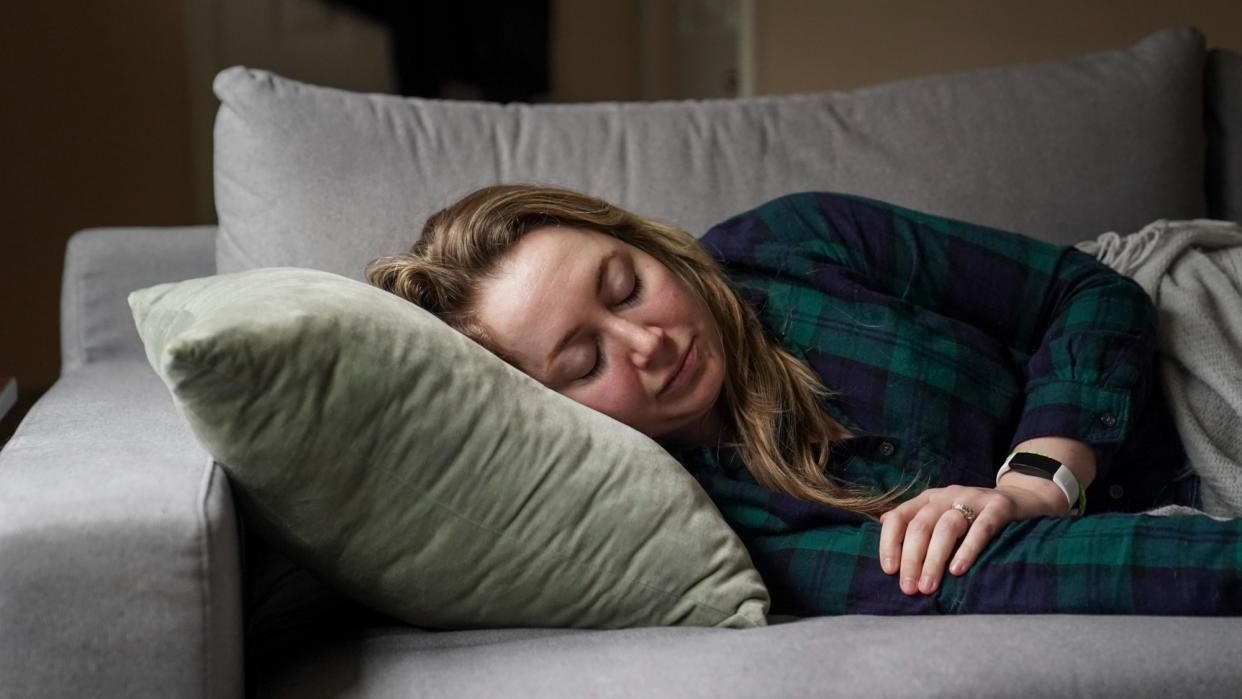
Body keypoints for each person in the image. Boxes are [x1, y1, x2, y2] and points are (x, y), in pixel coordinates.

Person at [365, 184, 1238, 616]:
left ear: (642, 244)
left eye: (627, 286)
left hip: (1196, 336)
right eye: (585, 358)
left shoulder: (795, 239)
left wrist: (1038, 478)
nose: (649, 342)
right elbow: (993, 581)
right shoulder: (711, 526)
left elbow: (1091, 294)